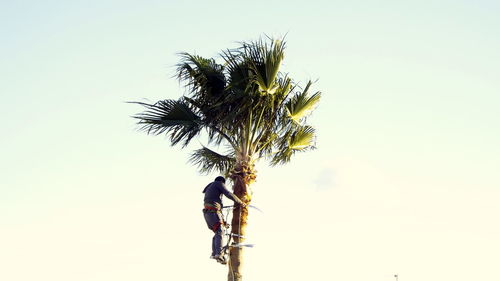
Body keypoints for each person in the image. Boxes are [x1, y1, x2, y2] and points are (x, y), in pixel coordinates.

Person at [202, 176, 246, 264]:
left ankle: (215, 253)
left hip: (207, 213)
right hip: (213, 211)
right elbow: (228, 194)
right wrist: (240, 202)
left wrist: (224, 222)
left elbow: (214, 203)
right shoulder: (219, 183)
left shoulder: (210, 187)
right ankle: (219, 253)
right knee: (220, 231)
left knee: (217, 231)